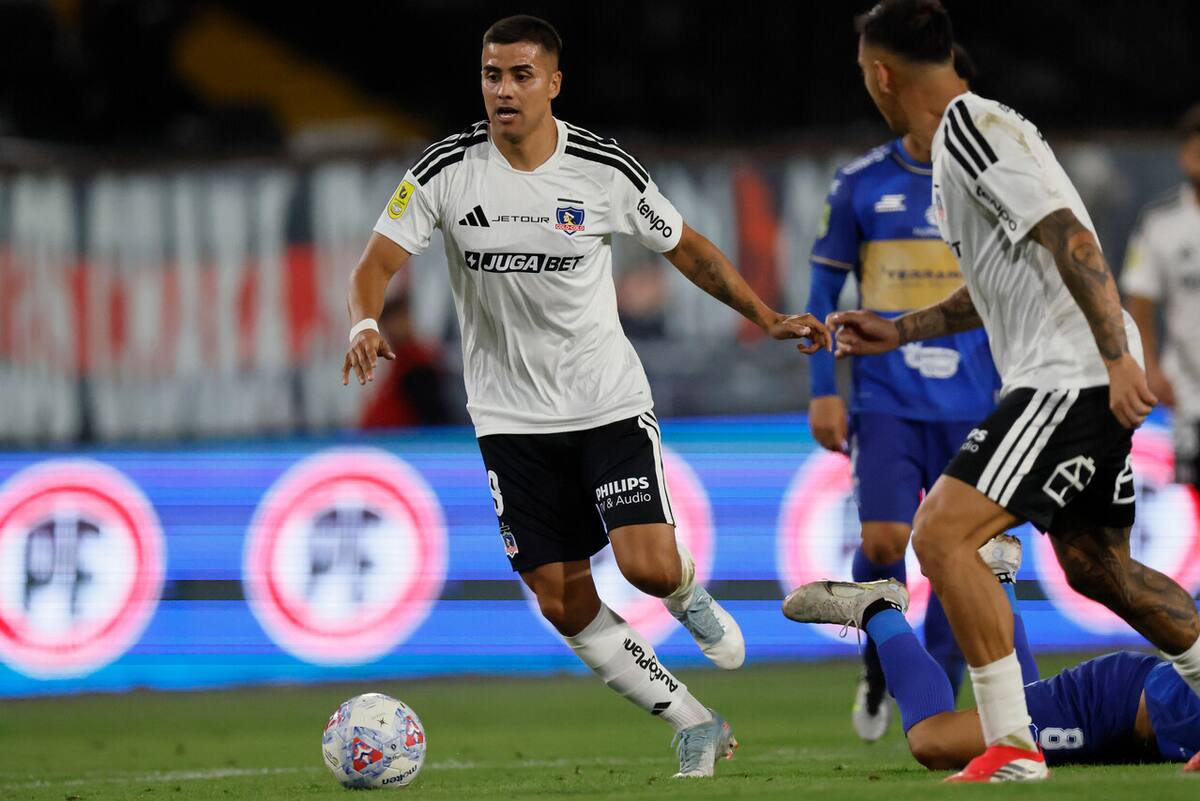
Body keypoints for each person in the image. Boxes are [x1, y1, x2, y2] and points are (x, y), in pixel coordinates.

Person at [340, 15, 829, 778]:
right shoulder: (445, 170)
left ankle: (686, 593)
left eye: (521, 75)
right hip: (508, 420)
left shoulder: (601, 169)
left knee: (646, 566)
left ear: (554, 83)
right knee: (561, 600)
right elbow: (374, 263)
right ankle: (695, 723)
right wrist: (365, 321)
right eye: (492, 75)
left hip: (604, 401)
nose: (504, 90)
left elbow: (689, 249)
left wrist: (765, 316)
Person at [829, 0, 1200, 781]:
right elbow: (992, 289)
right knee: (1098, 567)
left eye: (862, 72)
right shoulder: (971, 144)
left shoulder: (968, 130)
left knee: (940, 533)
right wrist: (901, 329)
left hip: (1069, 372)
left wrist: (1115, 359)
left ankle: (1013, 742)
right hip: (1075, 367)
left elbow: (1071, 236)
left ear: (881, 74)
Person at [804, 42, 1006, 742]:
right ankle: (877, 662)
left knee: (962, 550)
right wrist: (822, 387)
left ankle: (935, 692)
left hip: (977, 397)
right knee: (886, 537)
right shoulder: (860, 183)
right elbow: (822, 289)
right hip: (886, 394)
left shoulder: (992, 182)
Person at [782, 536, 1200, 773]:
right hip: (1113, 706)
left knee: (1019, 701)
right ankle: (879, 610)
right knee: (934, 740)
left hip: (1143, 717)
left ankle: (995, 580)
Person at [1122, 103, 1200, 492]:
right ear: (1184, 155)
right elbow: (1139, 301)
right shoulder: (1161, 222)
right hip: (1188, 392)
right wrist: (1150, 368)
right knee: (1191, 496)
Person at [358, 293, 452, 429]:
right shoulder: (400, 360)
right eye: (387, 322)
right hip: (381, 436)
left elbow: (434, 416)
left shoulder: (416, 363)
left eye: (396, 319)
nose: (392, 328)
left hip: (398, 438)